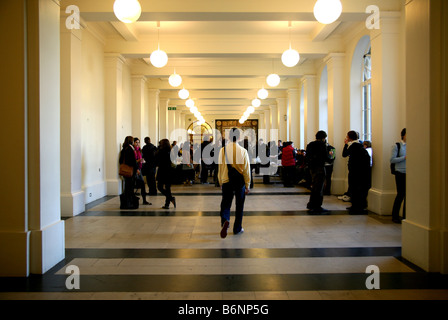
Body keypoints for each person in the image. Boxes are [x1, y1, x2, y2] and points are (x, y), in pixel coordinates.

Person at [218, 128, 251, 238]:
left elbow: (220, 167)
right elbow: (246, 170)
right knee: (239, 205)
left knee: (226, 204)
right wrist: (247, 185)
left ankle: (225, 220)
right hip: (239, 182)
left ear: (228, 137)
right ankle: (237, 228)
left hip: (226, 181)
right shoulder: (243, 151)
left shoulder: (222, 150)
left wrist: (220, 181)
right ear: (239, 138)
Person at [342, 131, 372, 214]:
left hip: (354, 171)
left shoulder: (353, 145)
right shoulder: (360, 145)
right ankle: (358, 205)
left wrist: (345, 144)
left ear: (349, 138)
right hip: (362, 170)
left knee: (353, 187)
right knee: (358, 188)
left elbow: (344, 154)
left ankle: (355, 206)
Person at [305, 131, 332, 214]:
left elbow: (307, 156)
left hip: (312, 168)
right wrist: (330, 156)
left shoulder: (310, 144)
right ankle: (317, 206)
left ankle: (311, 204)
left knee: (314, 186)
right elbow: (326, 157)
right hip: (319, 167)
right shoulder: (322, 145)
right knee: (319, 187)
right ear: (324, 138)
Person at [391, 128, 406, 223]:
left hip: (409, 172)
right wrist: (404, 157)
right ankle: (395, 215)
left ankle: (406, 217)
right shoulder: (397, 146)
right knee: (400, 194)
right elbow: (392, 159)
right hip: (400, 172)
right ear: (403, 135)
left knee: (408, 196)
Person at [155, 139, 176, 209]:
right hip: (169, 171)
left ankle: (170, 199)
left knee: (160, 187)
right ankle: (168, 203)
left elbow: (157, 159)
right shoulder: (170, 151)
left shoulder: (161, 151)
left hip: (162, 171)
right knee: (167, 188)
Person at [119, 136, 138, 209]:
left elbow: (121, 161)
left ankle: (126, 203)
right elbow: (132, 161)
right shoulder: (130, 149)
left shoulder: (124, 149)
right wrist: (136, 168)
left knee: (127, 187)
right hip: (130, 171)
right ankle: (128, 203)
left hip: (125, 171)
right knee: (129, 187)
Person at [133, 137, 150, 205]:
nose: (137, 144)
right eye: (136, 142)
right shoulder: (133, 151)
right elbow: (133, 161)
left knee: (142, 185)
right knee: (135, 185)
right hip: (135, 170)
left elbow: (141, 158)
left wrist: (142, 161)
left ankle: (144, 200)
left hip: (139, 169)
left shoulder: (139, 150)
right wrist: (139, 161)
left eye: (138, 142)